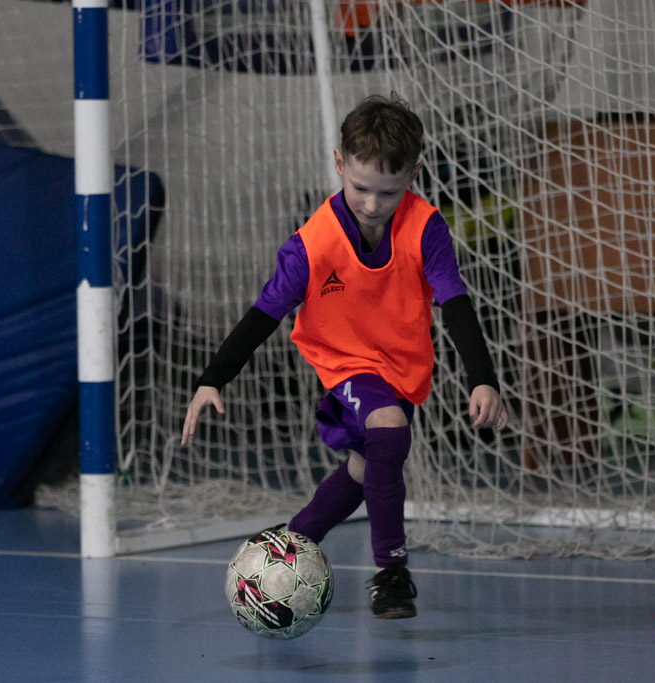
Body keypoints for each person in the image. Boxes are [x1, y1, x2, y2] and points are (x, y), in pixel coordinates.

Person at [181, 94, 508, 619]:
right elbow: (264, 313)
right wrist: (213, 377)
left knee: (365, 467)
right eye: (360, 188)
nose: (373, 205)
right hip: (343, 361)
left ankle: (292, 542)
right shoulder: (312, 244)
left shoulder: (426, 227)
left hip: (401, 364)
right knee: (387, 425)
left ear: (414, 174)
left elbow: (454, 301)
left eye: (389, 192)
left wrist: (482, 378)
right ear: (339, 163)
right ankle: (392, 572)